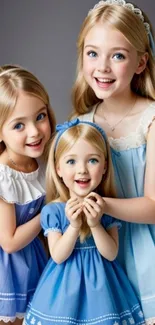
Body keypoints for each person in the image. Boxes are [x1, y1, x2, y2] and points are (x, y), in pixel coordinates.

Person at [71, 0, 155, 323]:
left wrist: (102, 206)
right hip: (100, 258)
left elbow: (152, 204)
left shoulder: (149, 121)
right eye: (93, 53)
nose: (102, 67)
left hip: (145, 255)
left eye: (117, 55)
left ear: (140, 62)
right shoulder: (81, 124)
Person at [24, 118, 145, 325]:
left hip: (103, 289)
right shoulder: (54, 210)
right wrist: (73, 226)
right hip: (62, 289)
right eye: (71, 161)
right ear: (58, 169)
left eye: (93, 160)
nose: (82, 170)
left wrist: (96, 224)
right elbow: (58, 256)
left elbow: (111, 253)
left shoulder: (106, 208)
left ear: (105, 166)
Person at [0, 64, 56, 324]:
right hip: (9, 271)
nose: (34, 131)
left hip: (36, 259)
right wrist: (49, 211)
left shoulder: (43, 161)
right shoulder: (4, 176)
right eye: (18, 125)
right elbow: (9, 241)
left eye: (40, 117)